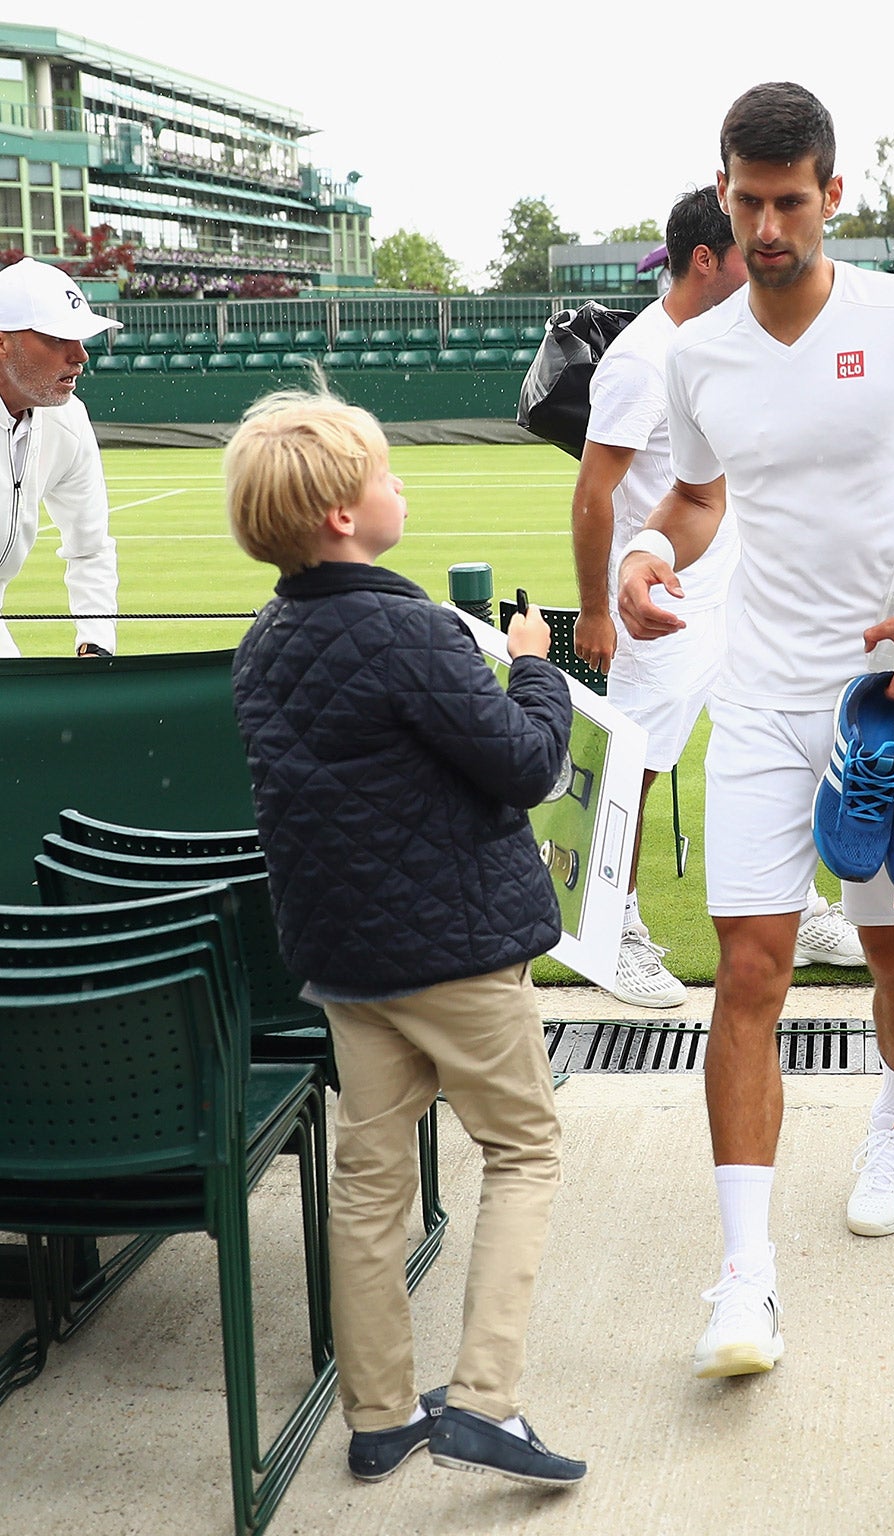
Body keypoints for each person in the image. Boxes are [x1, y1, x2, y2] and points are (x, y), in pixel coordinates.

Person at [614, 82, 894, 1377]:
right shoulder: (698, 354)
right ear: (725, 195)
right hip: (760, 694)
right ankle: (746, 1281)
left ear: (832, 195)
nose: (770, 224)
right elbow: (693, 499)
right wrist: (644, 552)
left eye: (792, 201)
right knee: (749, 970)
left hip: (893, 700)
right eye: (749, 202)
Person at [225, 391, 586, 1488]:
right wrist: (535, 664)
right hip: (459, 954)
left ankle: (379, 1415)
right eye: (383, 473)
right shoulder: (408, 628)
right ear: (341, 515)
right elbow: (526, 766)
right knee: (525, 1151)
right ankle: (483, 1400)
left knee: (367, 1180)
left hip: (346, 962)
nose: (400, 484)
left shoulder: (265, 639)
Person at [572, 186, 864, 1009]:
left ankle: (799, 909)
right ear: (708, 259)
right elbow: (596, 494)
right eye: (742, 243)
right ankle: (615, 931)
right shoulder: (640, 358)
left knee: (783, 741)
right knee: (638, 769)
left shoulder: (727, 340)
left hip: (739, 594)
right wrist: (597, 608)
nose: (763, 252)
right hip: (661, 607)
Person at [0, 258, 119, 658]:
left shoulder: (69, 419)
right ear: (2, 342)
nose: (80, 355)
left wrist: (96, 640)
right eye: (57, 338)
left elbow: (91, 546)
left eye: (81, 338)